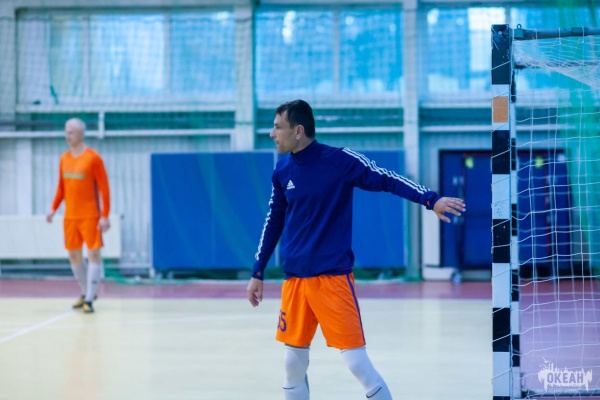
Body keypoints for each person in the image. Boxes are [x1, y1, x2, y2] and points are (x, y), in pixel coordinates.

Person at [246, 99, 466, 399]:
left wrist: (431, 199)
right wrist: (257, 271)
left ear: (298, 131)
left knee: (357, 363)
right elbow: (273, 221)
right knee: (292, 364)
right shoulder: (282, 170)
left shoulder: (339, 161)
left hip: (333, 280)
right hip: (296, 280)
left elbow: (387, 178)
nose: (272, 134)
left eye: (277, 127)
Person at [46, 118, 111, 314]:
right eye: (66, 132)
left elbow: (104, 189)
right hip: (70, 217)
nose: (67, 136)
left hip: (90, 216)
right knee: (73, 255)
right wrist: (53, 208)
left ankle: (89, 299)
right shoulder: (64, 158)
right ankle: (86, 292)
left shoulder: (93, 158)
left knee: (93, 254)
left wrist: (105, 215)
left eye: (71, 132)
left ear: (81, 134)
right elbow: (61, 187)